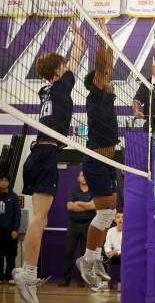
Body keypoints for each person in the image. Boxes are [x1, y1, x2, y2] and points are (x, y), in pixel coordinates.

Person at [13, 20, 84, 302]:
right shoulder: (61, 85)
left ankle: (27, 271)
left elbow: (68, 63)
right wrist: (78, 37)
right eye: (63, 66)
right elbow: (77, 55)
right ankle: (28, 274)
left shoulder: (46, 92)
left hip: (37, 154)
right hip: (45, 154)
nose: (68, 68)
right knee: (40, 219)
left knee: (38, 219)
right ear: (57, 72)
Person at [76, 20, 119, 290]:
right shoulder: (97, 94)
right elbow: (102, 64)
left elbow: (108, 64)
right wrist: (102, 37)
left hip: (107, 161)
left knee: (109, 213)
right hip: (96, 161)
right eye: (105, 77)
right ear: (97, 82)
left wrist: (109, 40)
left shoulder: (104, 94)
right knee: (104, 216)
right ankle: (88, 260)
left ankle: (93, 258)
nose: (110, 79)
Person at [60, 171, 95, 287]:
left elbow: (94, 206)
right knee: (68, 253)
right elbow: (69, 206)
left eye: (86, 175)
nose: (84, 177)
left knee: (84, 254)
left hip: (88, 225)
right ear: (78, 178)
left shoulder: (93, 191)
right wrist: (87, 206)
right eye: (81, 175)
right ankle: (66, 280)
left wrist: (79, 204)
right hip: (73, 225)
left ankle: (82, 280)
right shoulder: (73, 191)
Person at [0, 174, 20, 284]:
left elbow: (17, 215)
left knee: (11, 255)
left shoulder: (13, 197)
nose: (3, 182)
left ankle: (10, 276)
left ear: (8, 183)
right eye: (1, 180)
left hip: (10, 231)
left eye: (5, 180)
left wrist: (15, 229)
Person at [104, 210, 123, 289]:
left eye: (122, 217)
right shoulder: (111, 231)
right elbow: (107, 244)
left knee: (124, 257)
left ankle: (121, 283)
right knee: (102, 257)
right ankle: (107, 283)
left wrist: (117, 252)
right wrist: (108, 252)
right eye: (118, 217)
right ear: (115, 220)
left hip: (123, 255)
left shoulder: (129, 232)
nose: (120, 219)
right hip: (113, 255)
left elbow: (127, 248)